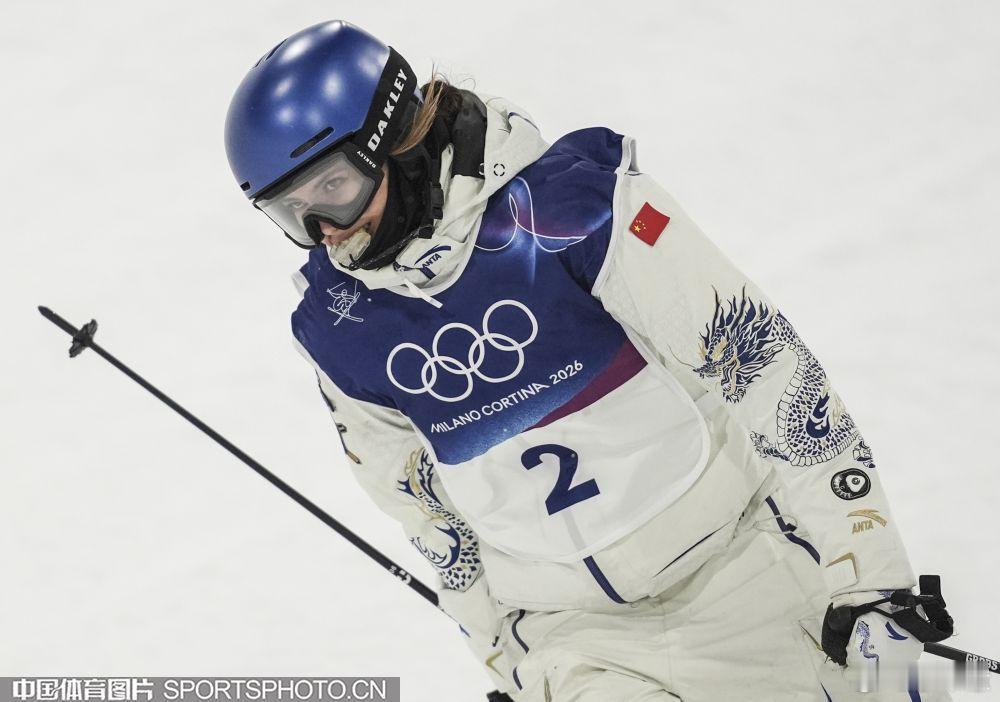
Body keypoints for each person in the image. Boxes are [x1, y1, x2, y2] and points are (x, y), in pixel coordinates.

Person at [224, 20, 955, 701]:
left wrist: (871, 580)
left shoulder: (572, 215)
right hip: (577, 642)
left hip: (746, 576)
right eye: (292, 212)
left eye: (336, 189)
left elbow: (764, 369)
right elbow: (427, 515)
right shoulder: (344, 329)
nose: (325, 233)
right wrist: (503, 659)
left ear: (396, 138)